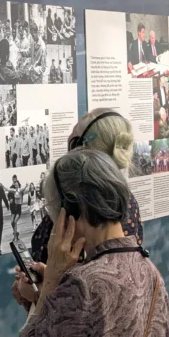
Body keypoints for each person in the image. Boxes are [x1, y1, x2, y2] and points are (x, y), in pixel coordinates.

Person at [14, 148, 169, 337]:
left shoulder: (83, 283)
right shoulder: (150, 271)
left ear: (71, 209)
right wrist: (48, 292)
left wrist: (52, 280)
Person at [26, 109, 144, 266]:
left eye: (73, 139)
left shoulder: (78, 205)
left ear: (79, 147)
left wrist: (46, 280)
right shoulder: (125, 201)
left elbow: (74, 274)